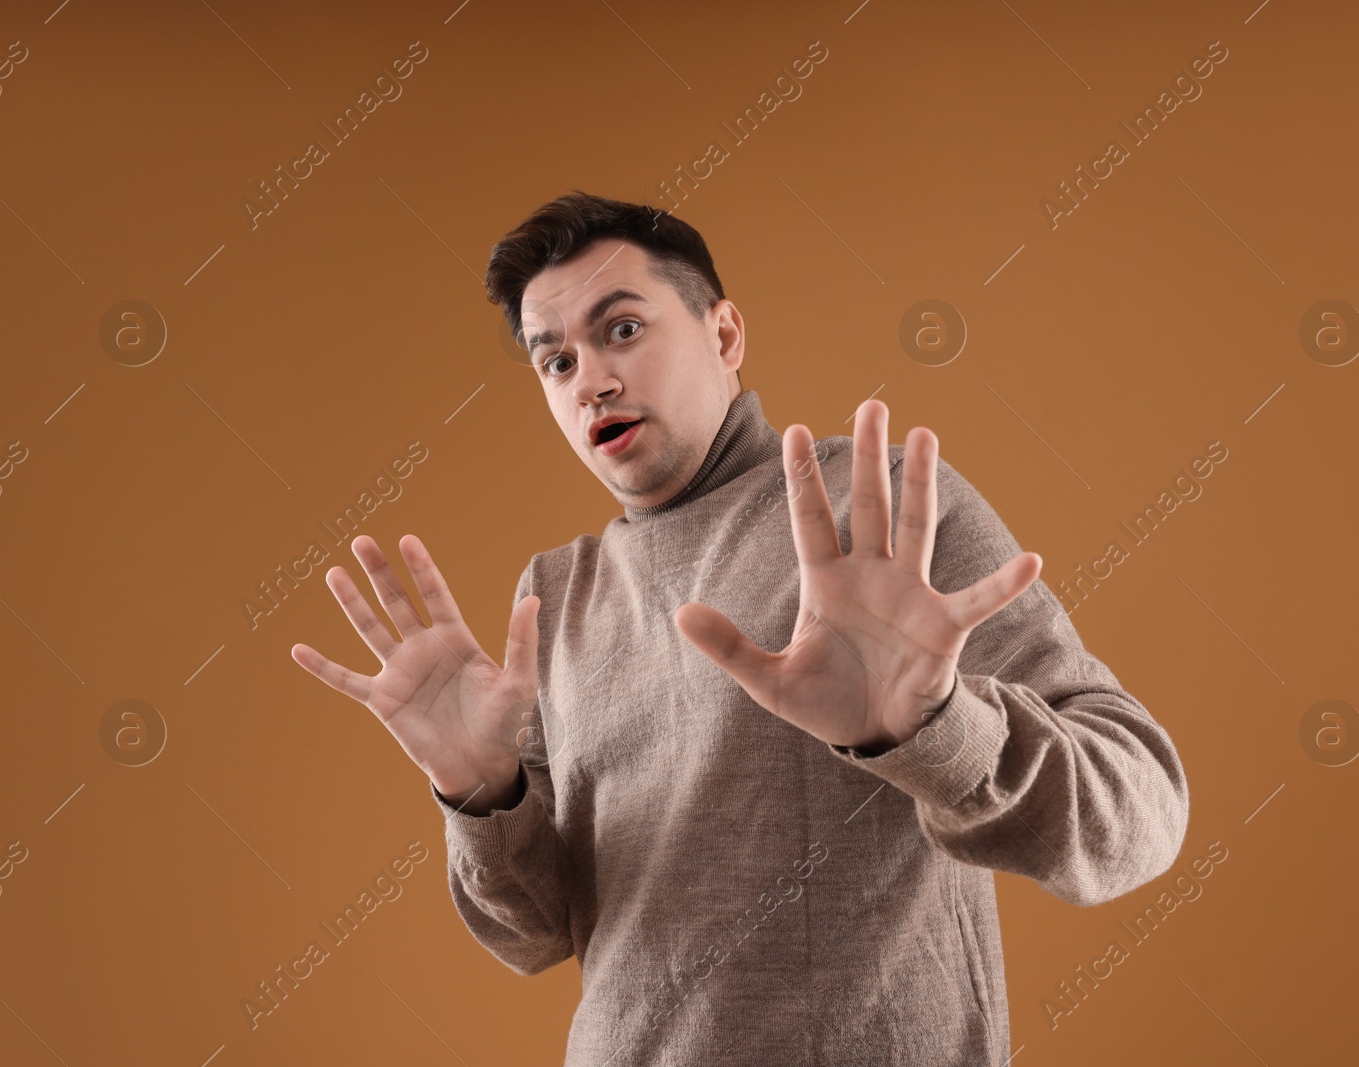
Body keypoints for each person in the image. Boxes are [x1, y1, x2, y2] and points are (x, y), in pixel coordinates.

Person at [290, 191, 1189, 1064]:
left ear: (724, 335)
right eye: (554, 361)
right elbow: (531, 933)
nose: (591, 380)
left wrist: (928, 725)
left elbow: (1135, 822)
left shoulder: (874, 516)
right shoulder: (558, 592)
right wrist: (485, 797)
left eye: (622, 329)